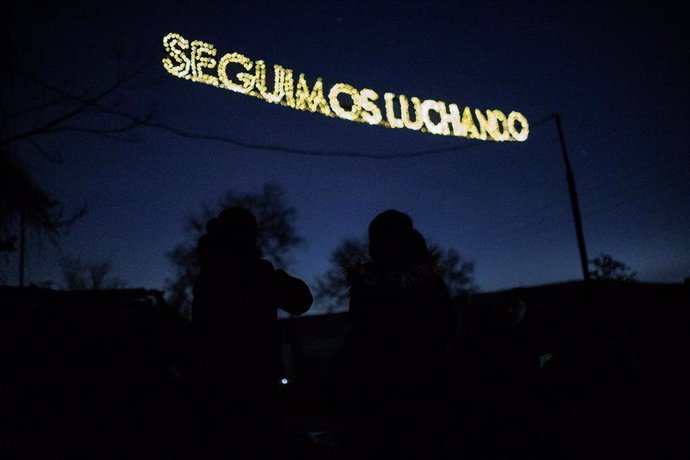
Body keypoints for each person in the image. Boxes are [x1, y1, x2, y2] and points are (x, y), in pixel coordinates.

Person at [191, 206, 312, 458]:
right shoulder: (255, 273)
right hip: (255, 381)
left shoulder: (207, 279)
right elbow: (301, 301)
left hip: (216, 384)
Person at [344, 209, 454, 458]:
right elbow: (447, 327)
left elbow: (359, 333)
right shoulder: (428, 283)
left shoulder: (365, 287)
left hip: (378, 389)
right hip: (426, 384)